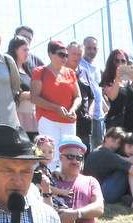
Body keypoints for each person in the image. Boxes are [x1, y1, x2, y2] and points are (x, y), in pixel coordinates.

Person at [30, 40, 80, 170]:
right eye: (61, 54)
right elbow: (34, 97)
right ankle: (46, 186)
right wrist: (56, 108)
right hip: (48, 119)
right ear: (50, 54)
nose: (64, 58)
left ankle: (65, 187)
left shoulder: (70, 73)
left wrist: (73, 109)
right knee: (48, 155)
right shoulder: (40, 72)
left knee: (69, 155)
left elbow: (78, 97)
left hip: (69, 121)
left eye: (66, 55)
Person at [102, 49, 133, 155]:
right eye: (117, 61)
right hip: (118, 121)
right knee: (119, 152)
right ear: (112, 62)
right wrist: (117, 78)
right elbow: (113, 96)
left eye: (123, 61)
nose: (120, 63)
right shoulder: (108, 79)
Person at [7, 36, 38, 138]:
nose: (27, 53)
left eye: (28, 50)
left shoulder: (28, 70)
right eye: (24, 50)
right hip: (17, 119)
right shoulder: (8, 70)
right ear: (15, 50)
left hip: (32, 119)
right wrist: (28, 95)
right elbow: (10, 94)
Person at [79, 37, 104, 149]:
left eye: (94, 48)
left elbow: (98, 89)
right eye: (89, 48)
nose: (92, 51)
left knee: (99, 147)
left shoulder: (97, 66)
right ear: (83, 48)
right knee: (86, 147)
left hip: (99, 114)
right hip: (87, 113)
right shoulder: (79, 65)